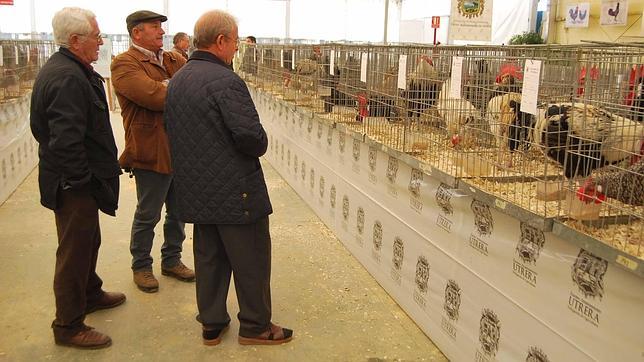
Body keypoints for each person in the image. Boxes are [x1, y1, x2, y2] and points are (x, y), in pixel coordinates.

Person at [164, 10, 293, 346]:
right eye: (235, 41)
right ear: (221, 41)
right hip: (236, 191)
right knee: (250, 259)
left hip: (196, 188)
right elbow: (251, 138)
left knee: (209, 258)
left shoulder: (178, 79)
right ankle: (255, 326)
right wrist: (261, 137)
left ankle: (211, 322)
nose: (237, 48)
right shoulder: (226, 81)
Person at [30, 7, 125, 349]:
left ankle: (90, 292)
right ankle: (68, 325)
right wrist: (82, 181)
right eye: (96, 37)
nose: (100, 43)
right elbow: (65, 141)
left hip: (77, 181)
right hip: (72, 184)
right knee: (73, 251)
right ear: (75, 40)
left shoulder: (72, 70)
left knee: (88, 241)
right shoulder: (67, 77)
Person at [111, 10, 194, 293]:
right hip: (149, 148)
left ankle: (172, 259)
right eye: (155, 27)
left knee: (179, 211)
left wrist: (168, 86)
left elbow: (194, 87)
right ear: (137, 33)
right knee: (149, 212)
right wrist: (171, 88)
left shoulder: (172, 59)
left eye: (161, 27)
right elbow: (155, 97)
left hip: (179, 148)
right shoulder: (124, 64)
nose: (161, 32)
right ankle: (141, 266)